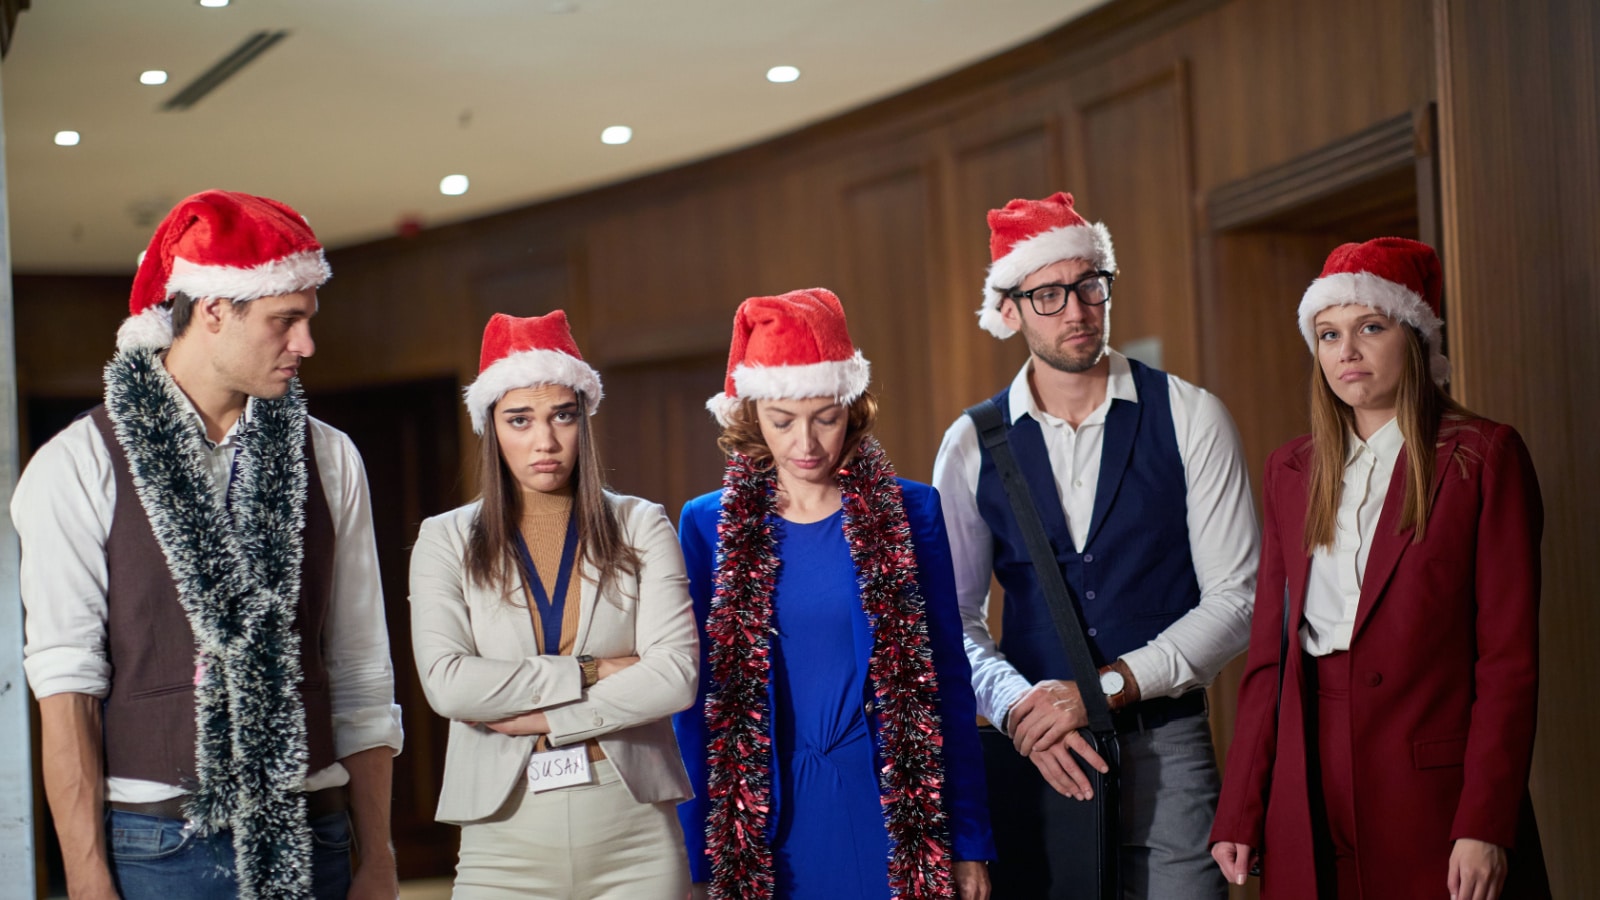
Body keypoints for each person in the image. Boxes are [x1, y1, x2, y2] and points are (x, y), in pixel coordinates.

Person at [12, 190, 403, 898]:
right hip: (157, 846)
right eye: (285, 322)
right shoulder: (77, 464)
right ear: (215, 310)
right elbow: (66, 688)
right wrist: (88, 878)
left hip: (318, 834)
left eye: (308, 322)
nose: (306, 346)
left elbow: (362, 669)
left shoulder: (331, 457)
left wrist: (377, 855)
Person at [931, 191, 1258, 899]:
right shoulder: (970, 445)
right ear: (1009, 309)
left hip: (1169, 747)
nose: (1076, 310)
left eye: (1089, 286)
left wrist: (1103, 688)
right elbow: (952, 621)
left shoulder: (1191, 415)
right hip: (1044, 758)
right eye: (1048, 294)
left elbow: (1239, 600)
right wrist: (1019, 708)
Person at [1210, 238, 1550, 900]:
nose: (1347, 351)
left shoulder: (1483, 457)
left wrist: (1485, 822)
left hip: (1432, 792)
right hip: (1308, 785)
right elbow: (1269, 659)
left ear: (1416, 334)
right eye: (1329, 334)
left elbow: (1509, 663)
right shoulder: (1291, 469)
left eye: (1371, 326)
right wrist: (1241, 807)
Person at [672, 289, 995, 900]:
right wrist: (699, 855)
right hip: (765, 810)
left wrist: (968, 840)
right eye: (782, 421)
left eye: (826, 416)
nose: (807, 444)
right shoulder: (705, 523)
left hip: (888, 803)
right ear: (750, 416)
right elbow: (696, 705)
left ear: (853, 404)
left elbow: (947, 681)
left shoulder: (911, 509)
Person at [409, 310, 697, 899]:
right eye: (520, 420)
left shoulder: (640, 523)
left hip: (633, 831)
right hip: (502, 837)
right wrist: (591, 670)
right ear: (491, 425)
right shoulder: (445, 538)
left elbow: (675, 677)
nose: (545, 441)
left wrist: (548, 718)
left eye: (562, 415)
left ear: (583, 420)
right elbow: (450, 686)